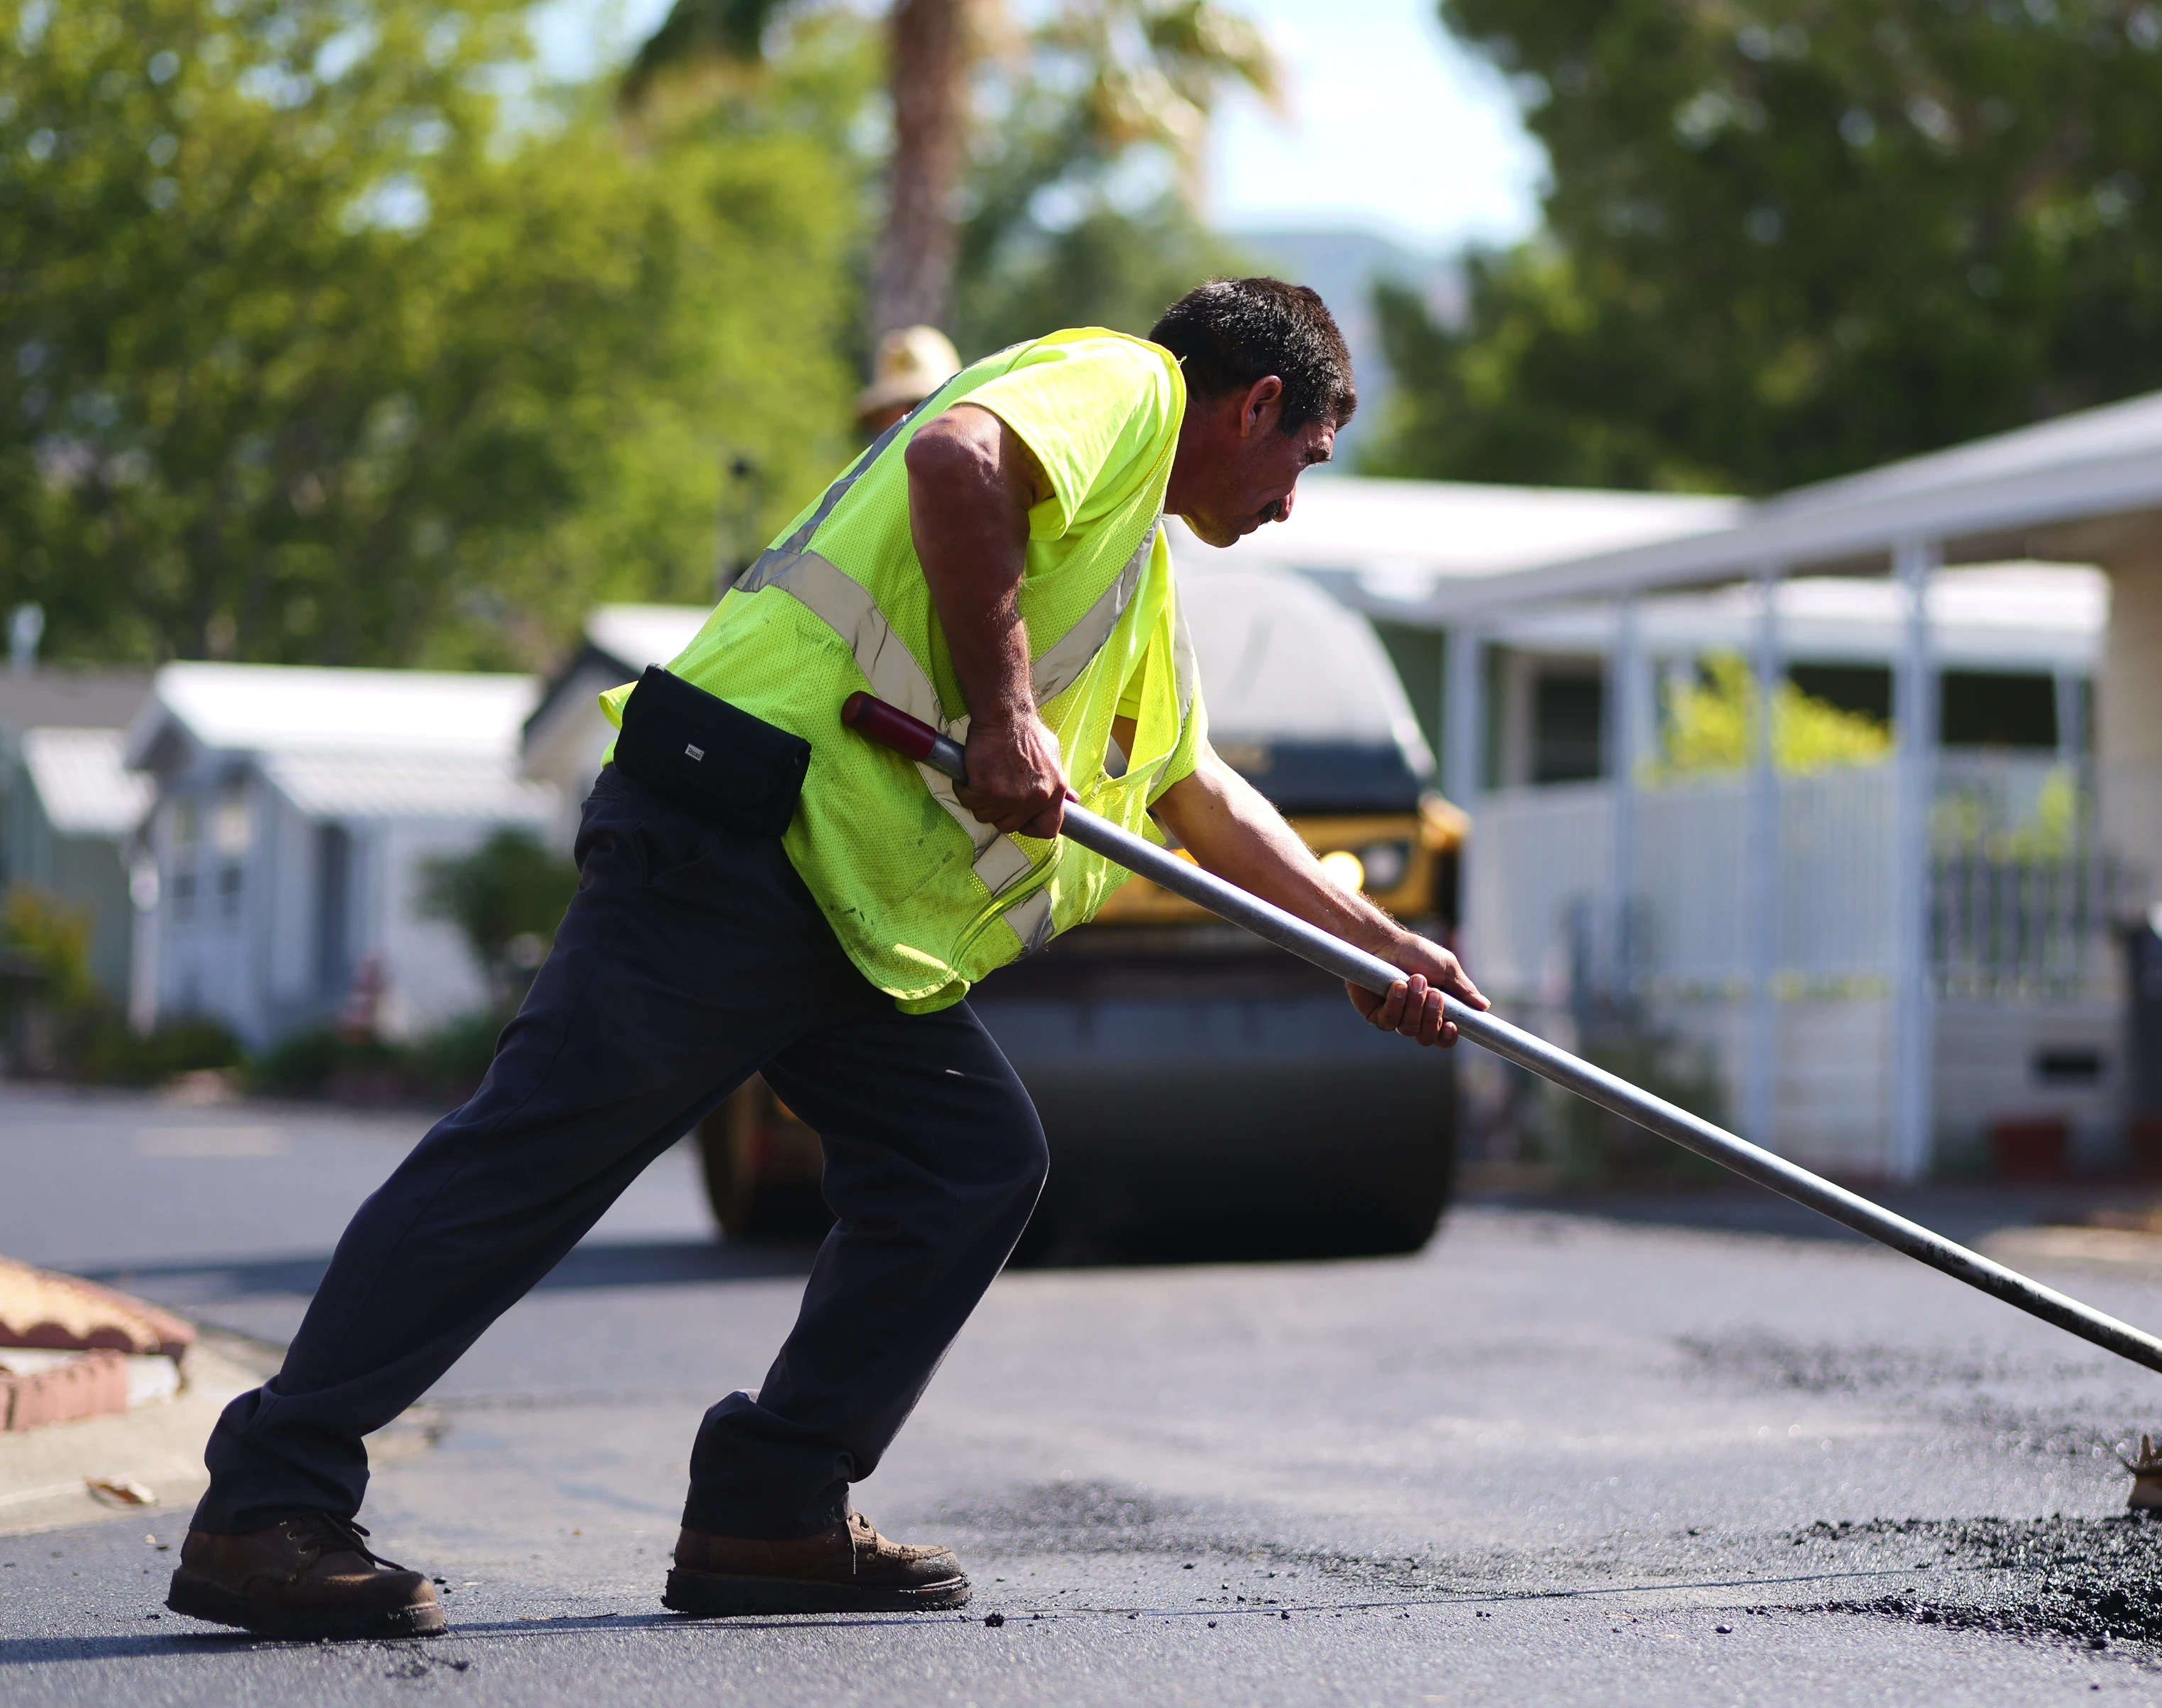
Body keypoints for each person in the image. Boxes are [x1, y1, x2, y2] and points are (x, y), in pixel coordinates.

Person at [164, 279, 1485, 1642]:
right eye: (1303, 458)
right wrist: (1005, 713)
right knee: (534, 1157)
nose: (1290, 504)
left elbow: (1194, 789)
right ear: (1255, 403)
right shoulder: (1125, 386)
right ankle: (268, 1502)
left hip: (841, 910)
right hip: (735, 836)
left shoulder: (1132, 572)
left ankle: (771, 1505)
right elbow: (952, 455)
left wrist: (1374, 945)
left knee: (965, 1162)